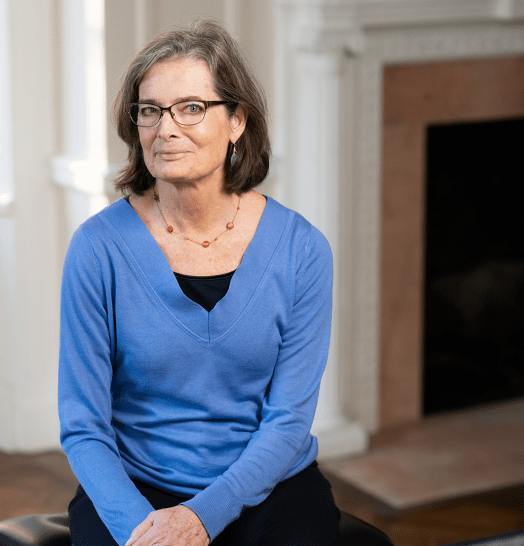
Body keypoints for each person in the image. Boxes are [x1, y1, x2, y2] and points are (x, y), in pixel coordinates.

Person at [58, 19, 340, 546]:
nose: (165, 128)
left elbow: (287, 421)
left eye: (190, 107)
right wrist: (143, 529)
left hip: (268, 485)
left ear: (237, 120)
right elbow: (83, 425)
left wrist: (200, 518)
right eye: (150, 110)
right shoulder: (97, 248)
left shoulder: (302, 250)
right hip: (135, 483)